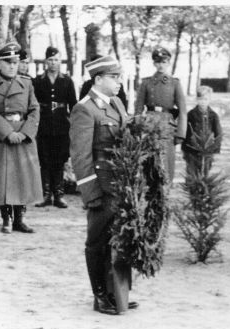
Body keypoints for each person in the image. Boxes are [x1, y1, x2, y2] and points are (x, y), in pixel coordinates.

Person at [70, 55, 138, 315]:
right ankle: (100, 296)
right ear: (98, 79)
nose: (119, 81)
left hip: (121, 183)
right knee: (97, 242)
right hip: (102, 185)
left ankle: (117, 294)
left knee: (119, 240)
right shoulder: (84, 109)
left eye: (119, 76)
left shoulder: (118, 103)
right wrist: (90, 192)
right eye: (114, 77)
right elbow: (80, 156)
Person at [0, 42, 42, 233]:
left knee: (22, 177)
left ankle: (19, 219)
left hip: (23, 134)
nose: (12, 66)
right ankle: (6, 218)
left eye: (15, 62)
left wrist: (24, 132)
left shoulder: (27, 83)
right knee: (3, 179)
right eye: (8, 62)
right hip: (0, 135)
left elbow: (35, 109)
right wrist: (8, 133)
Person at [135, 46, 187, 184]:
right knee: (149, 159)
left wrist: (181, 133)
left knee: (167, 160)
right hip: (150, 123)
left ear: (168, 63)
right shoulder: (146, 83)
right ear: (154, 63)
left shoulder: (174, 83)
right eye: (158, 62)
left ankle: (166, 191)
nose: (161, 65)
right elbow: (138, 108)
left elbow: (182, 110)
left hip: (166, 125)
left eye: (164, 62)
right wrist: (137, 127)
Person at [33, 47, 77, 208]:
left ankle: (59, 194)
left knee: (59, 160)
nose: (53, 63)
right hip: (44, 125)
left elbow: (73, 105)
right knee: (44, 160)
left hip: (61, 126)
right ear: (46, 61)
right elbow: (33, 104)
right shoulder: (37, 81)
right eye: (50, 60)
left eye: (56, 60)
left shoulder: (66, 80)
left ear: (60, 61)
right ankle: (45, 195)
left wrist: (74, 125)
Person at [182, 85, 222, 177]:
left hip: (207, 151)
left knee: (205, 173)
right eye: (200, 99)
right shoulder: (191, 115)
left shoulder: (213, 116)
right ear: (196, 99)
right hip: (192, 150)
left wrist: (215, 148)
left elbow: (218, 133)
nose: (203, 102)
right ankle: (192, 190)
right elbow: (186, 133)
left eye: (205, 99)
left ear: (209, 100)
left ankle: (203, 191)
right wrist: (185, 150)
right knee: (192, 173)